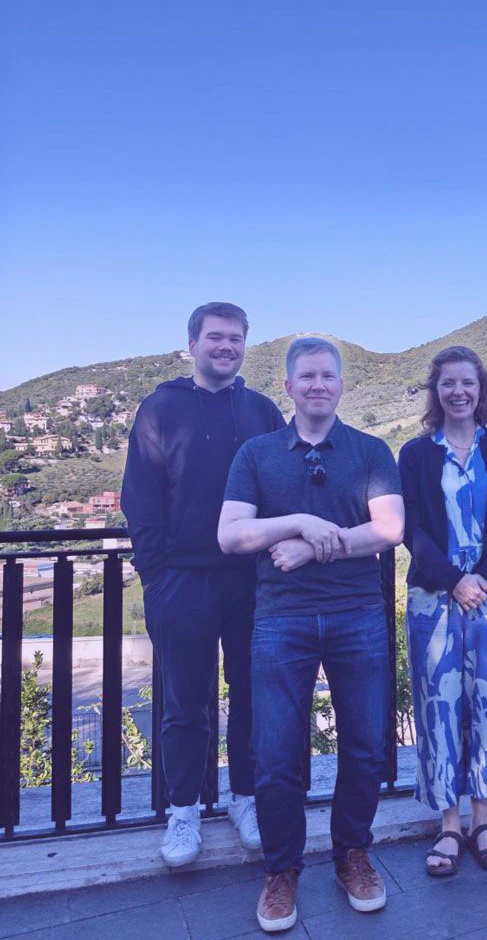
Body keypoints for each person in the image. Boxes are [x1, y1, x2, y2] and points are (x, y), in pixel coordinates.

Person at [218, 338, 404, 933]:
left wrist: (312, 548)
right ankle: (282, 872)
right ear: (290, 387)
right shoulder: (257, 453)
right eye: (307, 376)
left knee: (367, 746)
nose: (318, 384)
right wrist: (300, 521)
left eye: (328, 375)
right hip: (280, 619)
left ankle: (352, 854)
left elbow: (392, 528)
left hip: (358, 616)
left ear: (341, 384)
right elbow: (230, 535)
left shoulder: (371, 450)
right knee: (274, 754)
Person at [121, 302, 284, 868]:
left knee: (251, 699)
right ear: (192, 344)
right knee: (184, 706)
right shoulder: (160, 407)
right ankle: (183, 812)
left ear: (245, 344)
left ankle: (245, 801)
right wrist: (157, 578)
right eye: (215, 337)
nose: (226, 346)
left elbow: (283, 488)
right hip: (181, 583)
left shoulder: (263, 411)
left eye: (236, 338)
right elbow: (139, 498)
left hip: (252, 582)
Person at [399, 346, 487, 876]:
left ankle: (482, 817)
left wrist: (483, 578)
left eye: (468, 383)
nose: (459, 392)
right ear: (437, 391)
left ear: (481, 390)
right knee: (439, 706)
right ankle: (448, 824)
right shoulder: (414, 453)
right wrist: (455, 581)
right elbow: (413, 529)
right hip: (434, 597)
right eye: (449, 383)